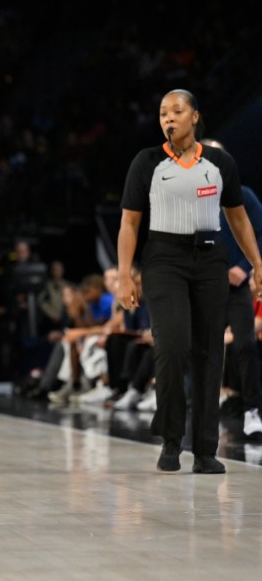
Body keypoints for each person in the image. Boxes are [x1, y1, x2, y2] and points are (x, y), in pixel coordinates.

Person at [116, 89, 262, 474]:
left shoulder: (219, 163)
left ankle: (204, 450)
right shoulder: (146, 162)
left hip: (210, 257)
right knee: (173, 345)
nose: (168, 118)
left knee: (209, 352)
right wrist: (123, 274)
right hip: (163, 259)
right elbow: (129, 223)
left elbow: (238, 218)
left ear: (195, 117)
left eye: (177, 111)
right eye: (163, 112)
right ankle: (169, 439)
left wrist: (257, 264)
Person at [201, 139, 262, 438]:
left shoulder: (244, 196)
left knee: (245, 345)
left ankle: (253, 410)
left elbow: (260, 233)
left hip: (236, 289)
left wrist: (245, 266)